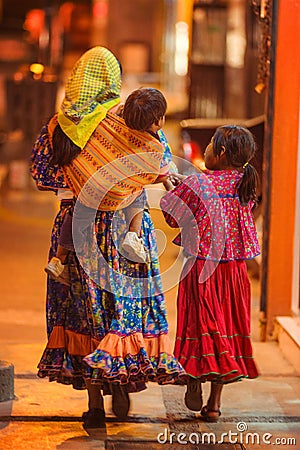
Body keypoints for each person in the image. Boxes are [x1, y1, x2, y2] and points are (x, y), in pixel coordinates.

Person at [30, 46, 186, 431]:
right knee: (125, 304)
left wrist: (82, 181)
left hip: (78, 227)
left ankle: (95, 401)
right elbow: (158, 161)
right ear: (112, 81)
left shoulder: (59, 126)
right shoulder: (128, 120)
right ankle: (121, 376)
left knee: (84, 309)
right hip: (124, 228)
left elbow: (42, 175)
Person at [160, 125, 260, 422]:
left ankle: (193, 374)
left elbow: (171, 216)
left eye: (209, 146)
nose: (205, 152)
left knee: (197, 322)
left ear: (221, 153)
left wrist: (172, 185)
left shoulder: (198, 185)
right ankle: (215, 404)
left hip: (201, 269)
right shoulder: (246, 183)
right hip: (235, 273)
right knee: (226, 328)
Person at [44, 87, 170, 272]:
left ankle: (59, 258)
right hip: (116, 193)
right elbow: (152, 175)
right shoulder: (152, 145)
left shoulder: (107, 120)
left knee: (77, 215)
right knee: (137, 192)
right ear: (158, 121)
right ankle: (133, 237)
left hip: (90, 186)